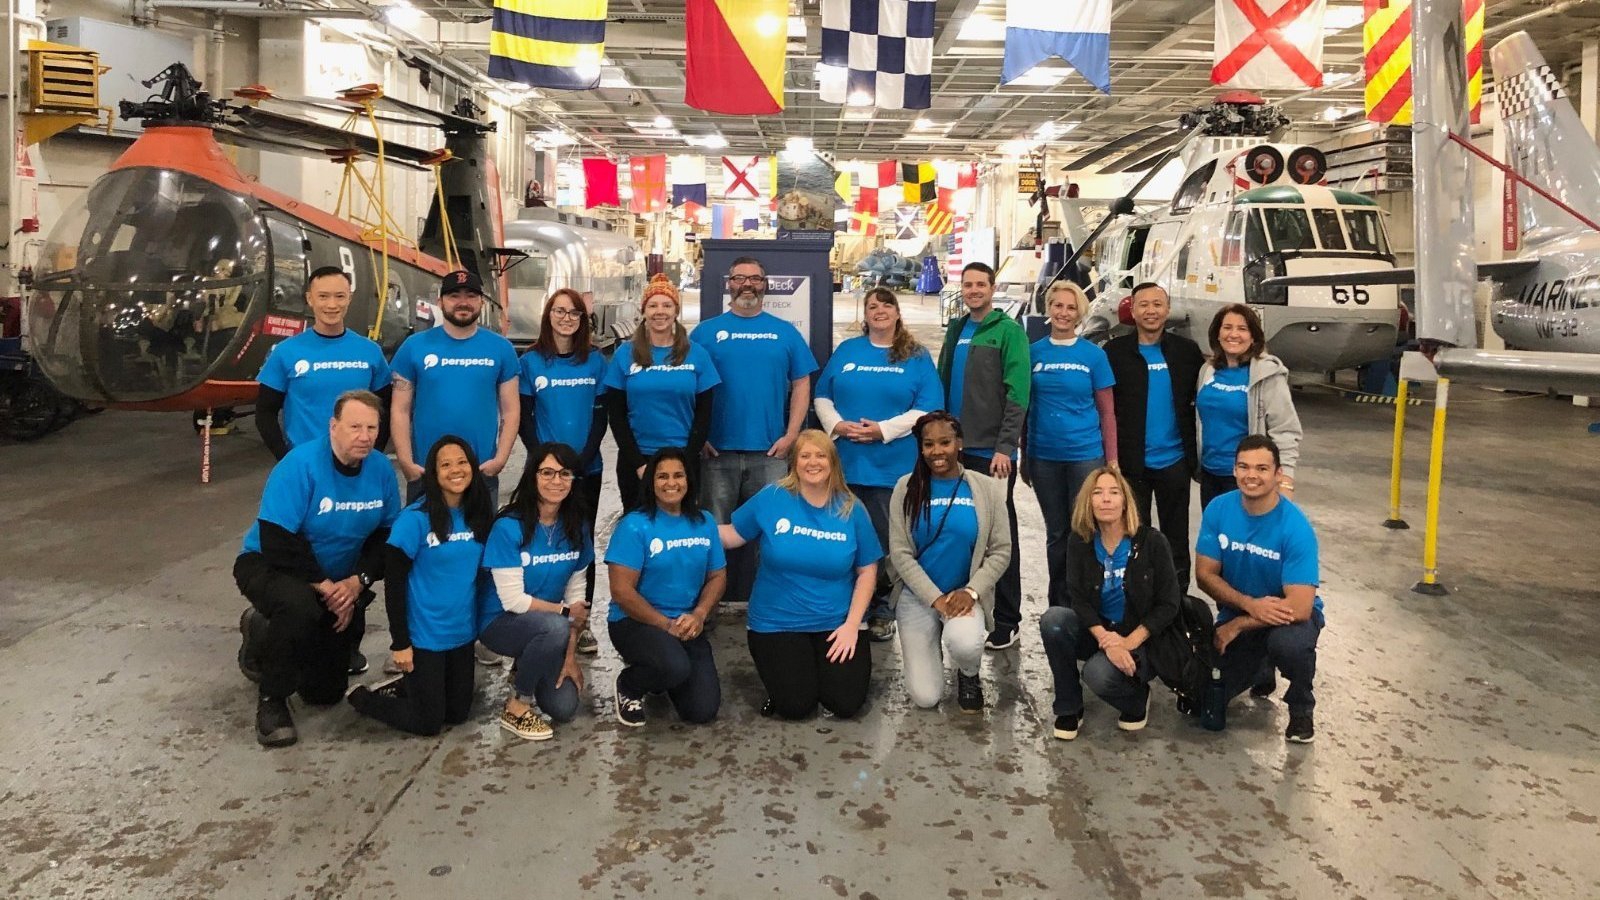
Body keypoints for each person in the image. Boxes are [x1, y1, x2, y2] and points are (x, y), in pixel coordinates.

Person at [233, 390, 400, 747]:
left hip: (339, 578)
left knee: (324, 693)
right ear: (333, 426)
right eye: (355, 426)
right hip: (272, 564)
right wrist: (325, 587)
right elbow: (276, 539)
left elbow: (386, 536)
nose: (365, 436)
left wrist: (357, 583)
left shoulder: (381, 470)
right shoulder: (300, 465)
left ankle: (264, 630)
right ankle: (272, 699)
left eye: (372, 427)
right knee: (300, 609)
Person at [720, 430, 882, 720]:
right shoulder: (772, 497)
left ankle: (811, 673)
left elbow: (867, 570)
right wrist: (686, 526)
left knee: (846, 703)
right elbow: (732, 535)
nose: (813, 462)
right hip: (778, 623)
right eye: (805, 455)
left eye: (821, 455)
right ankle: (788, 682)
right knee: (795, 707)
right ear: (794, 462)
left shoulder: (851, 508)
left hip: (836, 622)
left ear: (833, 462)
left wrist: (852, 625)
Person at [815, 287, 944, 643]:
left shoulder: (916, 356)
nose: (879, 311)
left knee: (887, 543)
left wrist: (883, 431)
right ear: (865, 315)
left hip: (891, 469)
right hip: (844, 467)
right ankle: (848, 606)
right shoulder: (847, 350)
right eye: (872, 306)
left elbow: (928, 408)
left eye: (887, 305)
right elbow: (822, 394)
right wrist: (837, 426)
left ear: (898, 313)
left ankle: (883, 609)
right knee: (844, 539)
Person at [691, 256, 818, 606]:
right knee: (714, 536)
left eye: (755, 279)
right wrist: (697, 436)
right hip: (717, 455)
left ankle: (772, 604)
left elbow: (802, 383)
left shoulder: (786, 332)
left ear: (765, 285)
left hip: (771, 455)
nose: (747, 284)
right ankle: (708, 607)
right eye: (739, 278)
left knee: (774, 533)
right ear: (729, 284)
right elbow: (686, 385)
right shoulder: (704, 333)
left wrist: (792, 434)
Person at [347, 435, 493, 736]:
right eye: (446, 464)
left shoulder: (479, 515)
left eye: (462, 462)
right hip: (424, 636)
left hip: (462, 633)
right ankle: (364, 698)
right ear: (434, 472)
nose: (456, 470)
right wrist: (400, 643)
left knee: (457, 713)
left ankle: (409, 685)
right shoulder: (414, 519)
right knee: (428, 722)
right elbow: (395, 584)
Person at [1195, 435, 1323, 744]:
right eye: (1244, 467)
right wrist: (1247, 606)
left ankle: (1301, 708)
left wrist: (1241, 623)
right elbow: (1204, 575)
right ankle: (1261, 666)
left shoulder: (1295, 527)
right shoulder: (1218, 509)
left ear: (1278, 474)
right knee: (1202, 701)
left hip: (1289, 618)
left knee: (1289, 646)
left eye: (1262, 468)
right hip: (1240, 610)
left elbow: (1301, 607)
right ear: (1234, 470)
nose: (1252, 475)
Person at [1038, 466, 1180, 741]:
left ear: (1125, 501)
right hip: (1100, 631)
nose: (1106, 499)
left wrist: (1127, 643)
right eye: (1098, 493)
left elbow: (1169, 604)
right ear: (1087, 502)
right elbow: (1078, 598)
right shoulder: (1079, 542)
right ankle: (1069, 707)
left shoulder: (1152, 542)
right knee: (1053, 621)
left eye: (1114, 493)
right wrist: (1105, 639)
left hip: (1142, 639)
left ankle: (1137, 699)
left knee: (1097, 675)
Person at [886, 412, 1011, 712]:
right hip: (919, 597)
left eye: (945, 442)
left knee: (965, 643)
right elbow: (900, 553)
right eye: (928, 444)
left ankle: (968, 673)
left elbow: (1001, 551)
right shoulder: (905, 487)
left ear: (959, 444)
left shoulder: (986, 489)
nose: (937, 451)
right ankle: (932, 648)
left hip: (962, 595)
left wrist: (970, 593)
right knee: (926, 697)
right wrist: (936, 599)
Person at [937, 262, 1031, 651]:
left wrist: (1005, 448)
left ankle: (1008, 619)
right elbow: (943, 381)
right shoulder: (958, 329)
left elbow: (1018, 392)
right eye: (968, 285)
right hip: (953, 451)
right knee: (956, 529)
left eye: (981, 284)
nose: (974, 290)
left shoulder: (1008, 332)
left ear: (993, 289)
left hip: (989, 453)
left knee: (998, 537)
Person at [476, 442, 594, 741]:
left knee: (565, 707)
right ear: (532, 476)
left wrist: (569, 656)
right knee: (555, 627)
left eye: (564, 474)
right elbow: (514, 601)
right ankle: (518, 705)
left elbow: (576, 594)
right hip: (500, 622)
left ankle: (527, 663)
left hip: (546, 625)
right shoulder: (508, 526)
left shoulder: (576, 525)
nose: (556, 481)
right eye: (547, 473)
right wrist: (566, 614)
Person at [605, 448, 728, 727]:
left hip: (685, 623)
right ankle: (631, 684)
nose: (671, 483)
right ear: (650, 482)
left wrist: (699, 614)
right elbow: (621, 592)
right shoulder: (635, 526)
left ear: (689, 479)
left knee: (702, 710)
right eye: (662, 476)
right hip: (636, 622)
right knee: (673, 665)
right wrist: (665, 625)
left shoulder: (704, 521)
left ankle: (662, 674)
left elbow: (718, 576)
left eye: (678, 475)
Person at [518, 288, 608, 655]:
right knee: (542, 544)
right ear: (548, 315)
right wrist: (545, 461)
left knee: (580, 544)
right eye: (559, 311)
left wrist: (581, 461)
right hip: (544, 471)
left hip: (587, 469)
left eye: (574, 313)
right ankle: (540, 616)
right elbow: (524, 417)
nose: (566, 318)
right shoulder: (531, 361)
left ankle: (581, 623)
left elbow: (601, 416)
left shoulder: (595, 362)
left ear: (582, 320)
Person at [1105, 282, 1204, 591]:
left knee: (1176, 537)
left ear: (1168, 309)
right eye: (1143, 305)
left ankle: (1177, 600)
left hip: (1174, 461)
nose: (1151, 311)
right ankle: (1138, 596)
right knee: (1135, 534)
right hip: (1131, 464)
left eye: (1157, 304)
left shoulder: (1187, 353)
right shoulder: (1115, 352)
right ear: (1132, 310)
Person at [1023, 280, 1117, 605]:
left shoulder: (1093, 356)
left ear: (1080, 313)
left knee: (1085, 531)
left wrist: (1112, 461)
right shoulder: (1033, 353)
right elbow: (1024, 407)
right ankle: (1058, 604)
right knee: (1056, 533)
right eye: (1058, 305)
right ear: (1049, 309)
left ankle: (1087, 603)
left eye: (1070, 307)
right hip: (1044, 457)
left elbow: (1107, 413)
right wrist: (1024, 457)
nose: (1063, 312)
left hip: (1085, 457)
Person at [390, 269, 520, 503]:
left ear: (482, 301)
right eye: (454, 296)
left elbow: (511, 411)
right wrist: (406, 462)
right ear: (440, 302)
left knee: (479, 539)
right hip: (426, 471)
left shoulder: (501, 349)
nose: (463, 302)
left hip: (481, 470)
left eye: (471, 296)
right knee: (423, 538)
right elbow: (400, 410)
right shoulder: (414, 347)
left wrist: (500, 459)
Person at [605, 274, 721, 511]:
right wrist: (637, 463)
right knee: (638, 527)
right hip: (637, 459)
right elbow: (616, 416)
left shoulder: (697, 354)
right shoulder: (624, 355)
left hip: (683, 458)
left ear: (676, 311)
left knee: (681, 526)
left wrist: (686, 461)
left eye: (667, 305)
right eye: (653, 305)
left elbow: (704, 414)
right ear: (644, 310)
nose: (660, 311)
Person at [257, 267, 392, 462]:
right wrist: (287, 458)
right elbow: (265, 413)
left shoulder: (370, 352)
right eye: (323, 296)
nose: (332, 304)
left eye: (340, 296)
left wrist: (374, 454)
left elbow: (385, 409)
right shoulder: (286, 352)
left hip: (358, 464)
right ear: (309, 299)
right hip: (306, 464)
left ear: (349, 298)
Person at [1196, 304, 1303, 509]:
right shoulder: (1207, 371)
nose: (1233, 334)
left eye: (1242, 329)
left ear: (1253, 337)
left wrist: (1286, 480)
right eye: (1227, 327)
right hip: (1211, 475)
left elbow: (1286, 430)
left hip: (1249, 478)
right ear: (1217, 334)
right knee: (1217, 537)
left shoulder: (1267, 375)